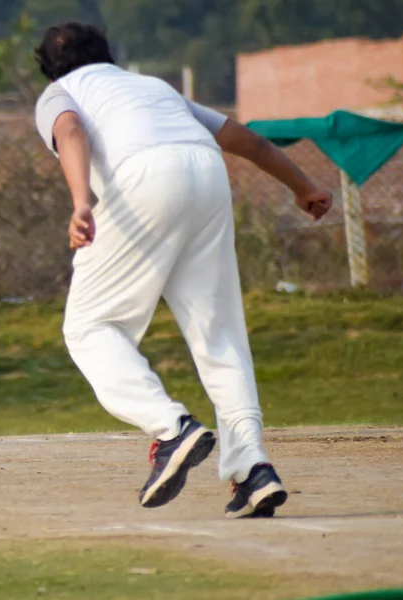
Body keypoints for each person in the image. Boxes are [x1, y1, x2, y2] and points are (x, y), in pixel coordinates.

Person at [34, 23, 332, 518]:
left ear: (47, 67)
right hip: (206, 174)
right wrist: (302, 187)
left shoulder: (59, 92)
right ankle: (252, 468)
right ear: (108, 53)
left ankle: (172, 428)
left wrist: (82, 202)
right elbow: (247, 141)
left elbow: (69, 130)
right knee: (219, 334)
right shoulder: (153, 86)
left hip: (143, 181)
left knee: (90, 327)